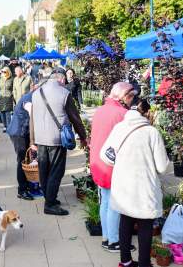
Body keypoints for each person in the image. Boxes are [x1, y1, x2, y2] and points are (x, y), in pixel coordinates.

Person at [100, 99, 169, 267]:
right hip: (144, 187)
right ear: (146, 112)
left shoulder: (119, 128)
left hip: (123, 186)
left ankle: (125, 261)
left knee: (125, 221)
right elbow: (162, 167)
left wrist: (119, 164)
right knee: (145, 225)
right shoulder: (151, 132)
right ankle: (144, 264)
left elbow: (105, 155)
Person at [30, 67, 87, 216]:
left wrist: (32, 139)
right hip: (56, 139)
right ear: (61, 78)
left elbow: (32, 119)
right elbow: (75, 118)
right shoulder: (64, 93)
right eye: (65, 80)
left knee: (44, 170)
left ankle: (50, 198)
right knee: (56, 171)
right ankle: (49, 204)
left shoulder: (36, 93)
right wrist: (83, 136)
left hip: (41, 139)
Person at [89, 81, 137, 252]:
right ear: (125, 96)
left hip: (98, 162)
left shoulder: (100, 110)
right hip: (114, 165)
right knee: (115, 204)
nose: (132, 101)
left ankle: (107, 237)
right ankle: (114, 241)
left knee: (105, 201)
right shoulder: (123, 114)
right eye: (131, 97)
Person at [7, 84, 39, 201]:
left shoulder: (32, 97)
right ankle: (22, 190)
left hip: (22, 132)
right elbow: (32, 118)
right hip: (18, 133)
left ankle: (29, 186)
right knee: (22, 161)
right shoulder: (29, 99)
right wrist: (33, 141)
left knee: (27, 159)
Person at [0, 66, 14, 133]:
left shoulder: (11, 79)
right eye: (2, 71)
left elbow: (14, 88)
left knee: (7, 113)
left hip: (8, 97)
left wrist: (13, 94)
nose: (3, 73)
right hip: (1, 97)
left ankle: (9, 127)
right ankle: (5, 126)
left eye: (5, 72)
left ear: (8, 72)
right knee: (2, 113)